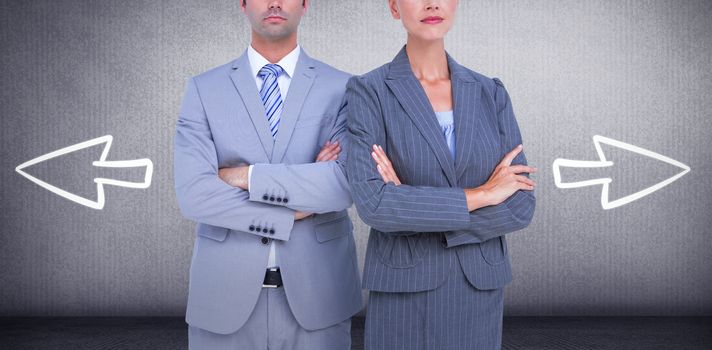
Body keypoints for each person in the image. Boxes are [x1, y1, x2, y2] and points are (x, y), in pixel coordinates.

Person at [345, 0, 537, 349]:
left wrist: (413, 205)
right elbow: (375, 205)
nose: (431, 3)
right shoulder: (369, 91)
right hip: (404, 290)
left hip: (478, 287)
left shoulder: (489, 92)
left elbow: (521, 204)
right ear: (393, 7)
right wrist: (483, 195)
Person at [173, 0, 362, 349]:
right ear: (242, 4)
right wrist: (295, 208)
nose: (274, 3)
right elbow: (195, 194)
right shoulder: (203, 89)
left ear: (305, 4)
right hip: (221, 298)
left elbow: (343, 184)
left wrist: (244, 176)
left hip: (320, 297)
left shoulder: (344, 88)